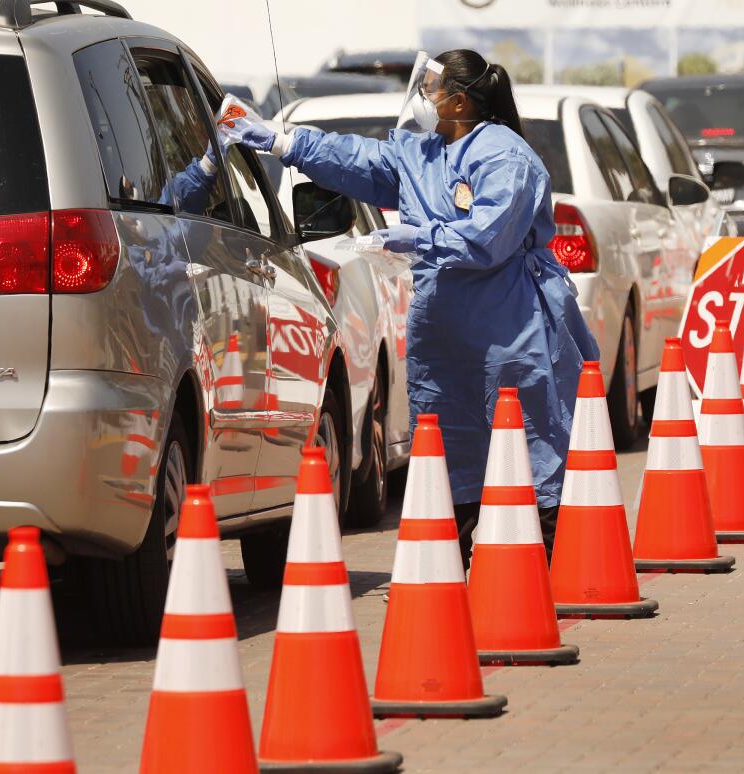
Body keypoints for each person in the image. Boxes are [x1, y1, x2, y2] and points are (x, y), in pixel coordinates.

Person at [229, 49, 598, 565]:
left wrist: (419, 237)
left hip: (508, 325)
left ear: (461, 101)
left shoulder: (504, 157)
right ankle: (468, 566)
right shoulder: (421, 152)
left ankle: (544, 566)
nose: (424, 97)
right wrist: (285, 141)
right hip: (444, 331)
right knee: (451, 442)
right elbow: (356, 160)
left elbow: (489, 238)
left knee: (524, 438)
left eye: (433, 87)